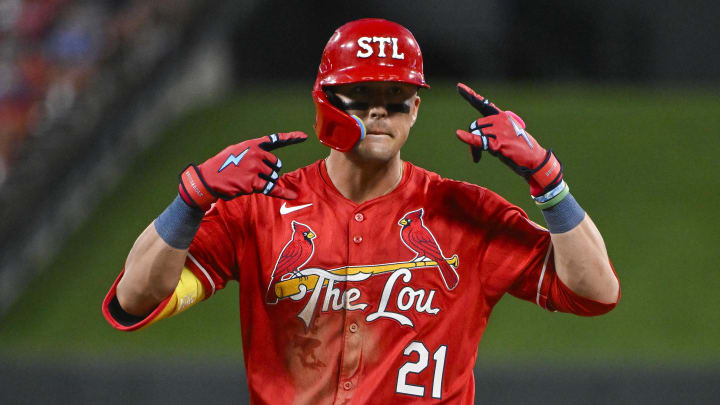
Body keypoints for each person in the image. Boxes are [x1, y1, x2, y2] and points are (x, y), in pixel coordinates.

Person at [102, 18, 620, 404]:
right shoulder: (261, 211)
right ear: (325, 101)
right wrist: (190, 200)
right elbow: (135, 297)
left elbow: (596, 291)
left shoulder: (465, 213)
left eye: (396, 98)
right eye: (360, 95)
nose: (378, 111)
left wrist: (548, 179)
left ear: (415, 111)